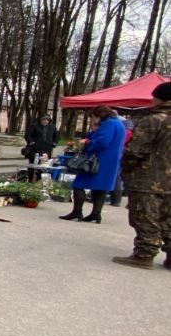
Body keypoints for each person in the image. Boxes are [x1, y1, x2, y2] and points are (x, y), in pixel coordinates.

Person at [112, 82, 171, 269]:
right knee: (168, 218)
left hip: (150, 179)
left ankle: (144, 254)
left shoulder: (154, 120)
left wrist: (127, 168)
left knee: (146, 216)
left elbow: (135, 151)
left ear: (160, 98)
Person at [59, 106, 126, 224]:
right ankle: (96, 214)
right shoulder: (119, 124)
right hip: (112, 160)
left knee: (78, 184)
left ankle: (77, 211)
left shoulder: (108, 124)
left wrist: (88, 143)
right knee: (101, 188)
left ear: (99, 115)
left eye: (93, 117)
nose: (92, 120)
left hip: (98, 160)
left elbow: (103, 141)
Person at [24, 114, 57, 182]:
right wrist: (32, 142)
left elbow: (56, 136)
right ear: (40, 120)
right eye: (43, 120)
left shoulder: (52, 126)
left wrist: (54, 143)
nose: (45, 121)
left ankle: (40, 181)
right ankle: (30, 180)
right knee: (33, 165)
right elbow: (28, 135)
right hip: (35, 149)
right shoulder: (35, 125)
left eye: (47, 120)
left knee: (44, 166)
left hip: (47, 149)